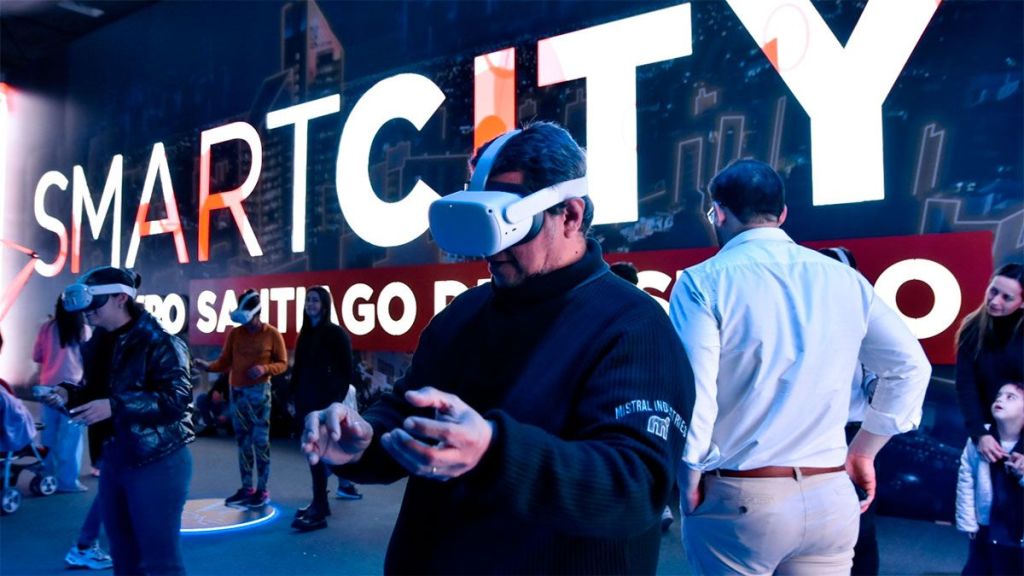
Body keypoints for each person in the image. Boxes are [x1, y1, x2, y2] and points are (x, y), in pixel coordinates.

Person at [303, 122, 693, 574]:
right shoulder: (464, 314)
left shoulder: (635, 327)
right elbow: (409, 410)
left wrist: (493, 452)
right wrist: (362, 441)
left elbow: (634, 487)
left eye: (510, 222)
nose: (491, 248)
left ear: (570, 215)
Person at [669, 159, 931, 575]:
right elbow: (910, 367)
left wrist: (688, 477)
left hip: (741, 497)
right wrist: (864, 450)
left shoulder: (702, 282)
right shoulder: (845, 280)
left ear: (717, 212)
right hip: (830, 495)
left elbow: (696, 391)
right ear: (783, 214)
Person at [52, 266, 193, 576]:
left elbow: (177, 400)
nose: (87, 311)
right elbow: (97, 394)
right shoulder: (98, 344)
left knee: (161, 562)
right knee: (124, 559)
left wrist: (116, 406)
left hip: (157, 459)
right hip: (115, 457)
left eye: (95, 302)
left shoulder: (162, 342)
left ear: (120, 298)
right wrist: (67, 394)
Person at [194, 289, 287, 508]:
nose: (246, 323)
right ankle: (247, 488)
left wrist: (265, 368)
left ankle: (262, 490)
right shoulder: (235, 334)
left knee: (260, 442)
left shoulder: (272, 334)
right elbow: (225, 361)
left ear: (258, 313)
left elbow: (283, 363)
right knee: (243, 442)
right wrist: (208, 367)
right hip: (237, 393)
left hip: (259, 394)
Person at [819, 246, 881, 575]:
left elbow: (879, 368)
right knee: (811, 519)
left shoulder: (863, 317)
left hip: (851, 429)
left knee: (859, 518)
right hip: (810, 431)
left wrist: (877, 387)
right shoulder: (801, 316)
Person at [609, 260, 677, 534]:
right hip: (653, 394)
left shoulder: (607, 311)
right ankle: (661, 507)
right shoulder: (654, 309)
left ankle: (652, 509)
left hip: (622, 394)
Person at [289, 286, 360, 532]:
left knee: (319, 454)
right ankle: (320, 503)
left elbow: (346, 371)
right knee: (313, 455)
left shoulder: (336, 334)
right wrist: (293, 395)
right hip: (305, 403)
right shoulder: (305, 334)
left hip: (325, 404)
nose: (310, 304)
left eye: (315, 300)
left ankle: (319, 507)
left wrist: (335, 401)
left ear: (324, 305)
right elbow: (298, 369)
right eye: (308, 300)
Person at [955, 263, 1024, 465]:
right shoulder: (973, 327)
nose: (994, 301)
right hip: (986, 435)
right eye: (993, 291)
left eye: (1007, 297)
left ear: (1022, 303)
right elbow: (966, 385)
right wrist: (980, 434)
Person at [956, 382, 1024, 575]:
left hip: (1018, 528)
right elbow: (966, 479)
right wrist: (968, 521)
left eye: (1010, 397)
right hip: (986, 523)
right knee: (978, 568)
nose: (1000, 399)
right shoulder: (979, 437)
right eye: (999, 395)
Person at [32, 296, 91, 492]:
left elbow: (37, 356)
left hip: (47, 388)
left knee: (47, 435)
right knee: (71, 438)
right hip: (72, 391)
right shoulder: (83, 329)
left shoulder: (47, 328)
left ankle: (46, 477)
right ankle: (67, 482)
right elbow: (89, 361)